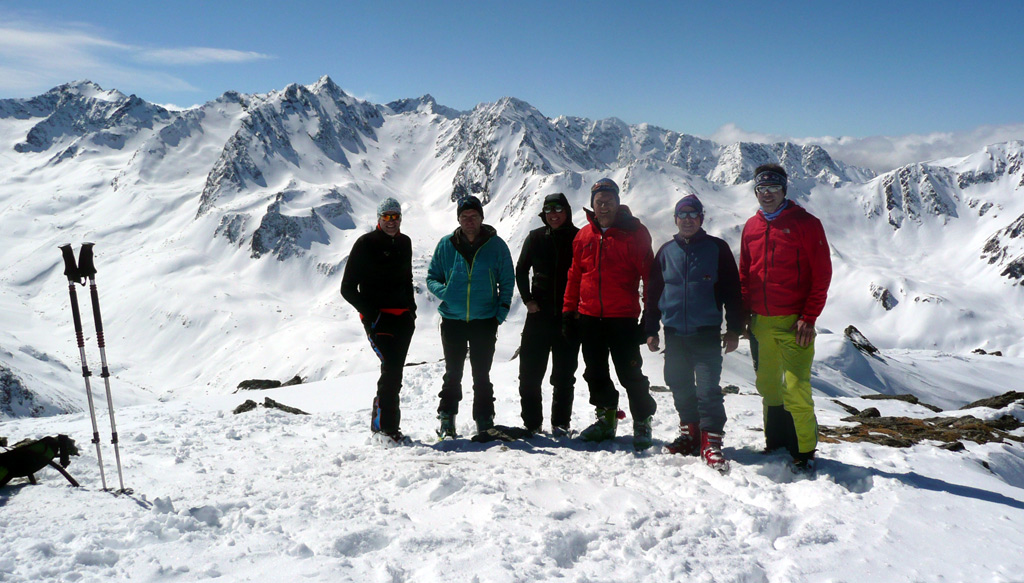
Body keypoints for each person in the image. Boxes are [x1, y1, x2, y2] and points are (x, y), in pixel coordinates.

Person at [739, 163, 832, 472]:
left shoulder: (806, 223)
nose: (767, 194)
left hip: (795, 323)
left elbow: (822, 273)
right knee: (768, 386)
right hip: (761, 322)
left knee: (796, 387)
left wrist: (809, 316)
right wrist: (744, 315)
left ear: (784, 190)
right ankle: (776, 442)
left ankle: (804, 450)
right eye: (761, 189)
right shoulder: (751, 226)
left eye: (773, 188)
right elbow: (745, 273)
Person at [644, 194, 742, 471]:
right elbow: (653, 294)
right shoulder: (666, 252)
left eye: (692, 215)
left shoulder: (717, 249)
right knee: (678, 383)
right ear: (675, 219)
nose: (687, 220)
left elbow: (732, 291)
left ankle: (712, 442)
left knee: (708, 388)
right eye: (682, 215)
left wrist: (734, 329)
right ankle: (691, 434)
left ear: (701, 218)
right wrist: (651, 329)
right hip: (674, 333)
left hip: (706, 333)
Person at [563, 178, 657, 450]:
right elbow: (575, 275)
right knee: (595, 372)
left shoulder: (635, 233)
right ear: (592, 205)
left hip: (623, 318)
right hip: (589, 317)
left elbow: (649, 277)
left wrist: (649, 317)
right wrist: (569, 311)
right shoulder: (584, 236)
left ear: (618, 203)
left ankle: (642, 420)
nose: (604, 206)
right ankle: (606, 418)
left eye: (609, 201)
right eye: (599, 202)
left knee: (630, 373)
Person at [426, 195, 515, 438]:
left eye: (473, 216)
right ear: (458, 219)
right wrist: (445, 292)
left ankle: (484, 419)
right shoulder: (446, 245)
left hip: (484, 320)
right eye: (464, 217)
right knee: (452, 373)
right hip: (452, 320)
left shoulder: (496, 246)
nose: (469, 221)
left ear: (481, 218)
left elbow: (507, 280)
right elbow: (432, 277)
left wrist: (500, 312)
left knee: (481, 374)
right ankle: (447, 418)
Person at [340, 197, 416, 443]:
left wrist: (412, 310)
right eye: (386, 216)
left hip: (403, 319)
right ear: (379, 218)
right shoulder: (366, 243)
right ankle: (385, 430)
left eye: (395, 216)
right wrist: (373, 314)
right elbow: (347, 288)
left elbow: (407, 278)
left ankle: (386, 427)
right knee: (391, 371)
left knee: (395, 373)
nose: (391, 221)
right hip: (379, 320)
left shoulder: (405, 242)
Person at [515, 193, 580, 436]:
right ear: (544, 214)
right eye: (549, 210)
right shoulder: (535, 237)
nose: (554, 214)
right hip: (539, 316)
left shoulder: (578, 237)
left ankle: (560, 424)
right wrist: (528, 300)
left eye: (558, 209)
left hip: (568, 317)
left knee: (564, 376)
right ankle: (532, 424)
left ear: (567, 211)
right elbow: (521, 270)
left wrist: (578, 307)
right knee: (529, 375)